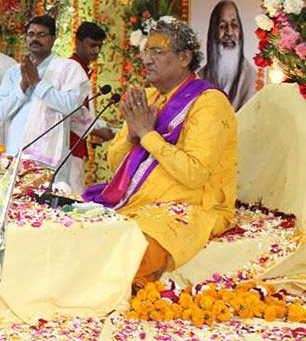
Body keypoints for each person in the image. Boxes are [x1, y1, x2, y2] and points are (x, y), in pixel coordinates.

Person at [83, 18, 237, 287]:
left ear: (184, 58)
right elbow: (114, 163)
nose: (147, 60)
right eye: (146, 52)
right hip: (142, 201)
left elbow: (195, 173)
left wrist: (147, 135)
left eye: (158, 52)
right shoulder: (150, 97)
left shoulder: (210, 103)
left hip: (194, 206)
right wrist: (132, 135)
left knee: (130, 255)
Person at [0, 15, 89, 188]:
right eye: (31, 34)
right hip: (16, 152)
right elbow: (2, 112)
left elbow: (71, 106)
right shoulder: (14, 72)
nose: (35, 39)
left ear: (53, 39)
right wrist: (24, 84)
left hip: (51, 157)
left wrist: (38, 83)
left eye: (41, 34)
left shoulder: (67, 68)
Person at [66, 22, 116, 190]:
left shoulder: (81, 67)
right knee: (70, 194)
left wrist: (100, 127)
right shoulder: (73, 68)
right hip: (68, 144)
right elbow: (71, 110)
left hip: (76, 142)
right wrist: (95, 130)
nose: (96, 50)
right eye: (92, 45)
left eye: (99, 46)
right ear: (78, 42)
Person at [197, 0, 257, 111]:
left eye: (234, 25)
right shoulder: (200, 78)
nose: (229, 32)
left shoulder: (252, 78)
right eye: (222, 26)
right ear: (213, 33)